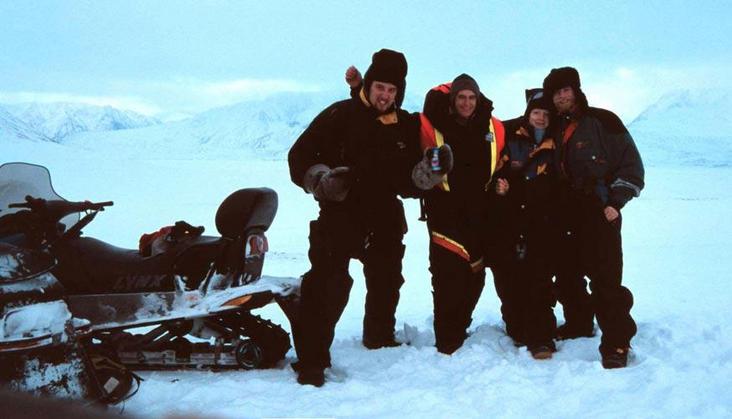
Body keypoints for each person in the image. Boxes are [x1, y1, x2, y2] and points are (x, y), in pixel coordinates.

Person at [288, 49, 452, 386]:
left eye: (392, 90)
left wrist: (427, 174)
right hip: (339, 214)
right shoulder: (339, 114)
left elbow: (409, 180)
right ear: (369, 84)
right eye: (380, 87)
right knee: (328, 285)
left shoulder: (404, 125)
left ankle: (378, 337)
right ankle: (312, 361)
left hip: (385, 216)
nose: (385, 95)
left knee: (387, 281)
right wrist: (321, 181)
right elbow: (299, 156)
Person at [543, 66, 644, 368]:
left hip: (598, 210)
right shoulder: (551, 128)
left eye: (565, 90)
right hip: (565, 212)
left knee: (605, 280)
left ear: (576, 90)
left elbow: (631, 166)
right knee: (567, 272)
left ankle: (616, 342)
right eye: (555, 92)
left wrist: (615, 202)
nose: (561, 96)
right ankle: (579, 324)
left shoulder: (603, 121)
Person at [489, 88, 558, 359]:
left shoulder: (557, 142)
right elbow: (496, 171)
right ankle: (517, 327)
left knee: (539, 279)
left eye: (545, 114)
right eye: (536, 112)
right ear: (528, 113)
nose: (540, 118)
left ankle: (542, 337)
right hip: (509, 219)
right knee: (508, 278)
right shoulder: (509, 137)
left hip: (542, 221)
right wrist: (501, 188)